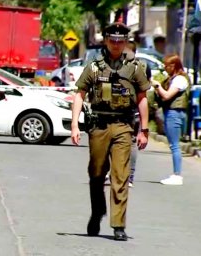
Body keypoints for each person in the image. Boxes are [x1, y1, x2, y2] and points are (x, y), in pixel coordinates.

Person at [71, 22, 151, 241]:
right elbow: (80, 94)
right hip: (99, 126)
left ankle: (118, 224)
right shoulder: (95, 66)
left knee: (120, 176)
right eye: (112, 40)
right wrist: (75, 124)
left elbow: (142, 99)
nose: (116, 44)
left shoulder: (135, 67)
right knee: (96, 173)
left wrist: (144, 129)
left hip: (124, 126)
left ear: (126, 42)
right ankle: (97, 212)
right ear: (105, 40)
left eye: (121, 40)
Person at [151, 54, 190, 185]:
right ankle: (176, 174)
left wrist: (157, 86)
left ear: (173, 66)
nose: (165, 68)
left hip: (175, 113)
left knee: (174, 146)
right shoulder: (172, 78)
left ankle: (177, 175)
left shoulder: (180, 79)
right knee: (173, 145)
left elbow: (167, 95)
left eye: (166, 65)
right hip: (171, 112)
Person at [126, 39, 152, 187]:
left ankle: (118, 173)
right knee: (132, 143)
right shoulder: (144, 66)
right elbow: (146, 89)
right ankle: (129, 176)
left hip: (124, 110)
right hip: (137, 110)